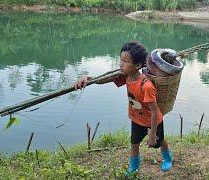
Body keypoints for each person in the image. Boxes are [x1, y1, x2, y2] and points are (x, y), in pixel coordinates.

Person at [74, 41, 173, 173]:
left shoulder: (146, 86)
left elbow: (155, 112)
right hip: (136, 119)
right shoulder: (126, 76)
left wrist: (152, 134)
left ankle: (167, 158)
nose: (121, 64)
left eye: (125, 61)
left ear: (137, 65)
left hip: (153, 121)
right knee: (134, 143)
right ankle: (134, 166)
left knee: (159, 141)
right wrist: (88, 78)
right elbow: (105, 79)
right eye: (121, 59)